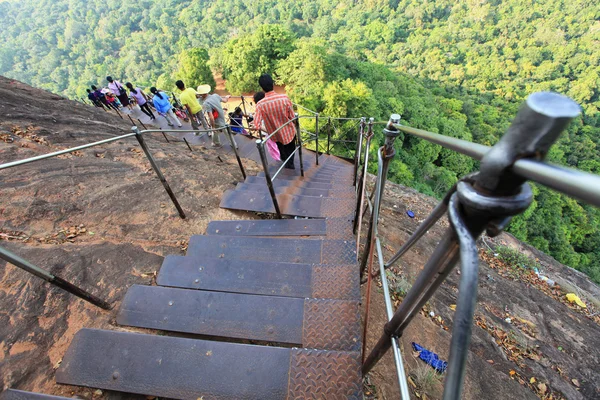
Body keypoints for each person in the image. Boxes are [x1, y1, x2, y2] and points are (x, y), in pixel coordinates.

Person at [252, 74, 297, 169]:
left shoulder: (260, 104)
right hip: (289, 132)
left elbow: (256, 125)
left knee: (282, 150)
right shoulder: (284, 98)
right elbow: (292, 117)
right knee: (291, 150)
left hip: (276, 135)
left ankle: (286, 163)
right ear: (273, 84)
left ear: (262, 88)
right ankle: (290, 165)